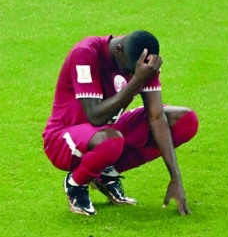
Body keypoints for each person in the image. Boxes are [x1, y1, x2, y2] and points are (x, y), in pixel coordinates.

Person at [42, 31, 198, 216]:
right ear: (118, 49)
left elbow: (156, 117)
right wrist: (137, 80)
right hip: (63, 138)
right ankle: (76, 183)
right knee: (111, 141)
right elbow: (95, 116)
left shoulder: (144, 63)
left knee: (185, 121)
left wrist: (175, 177)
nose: (130, 74)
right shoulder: (85, 53)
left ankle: (105, 173)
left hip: (107, 133)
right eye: (128, 70)